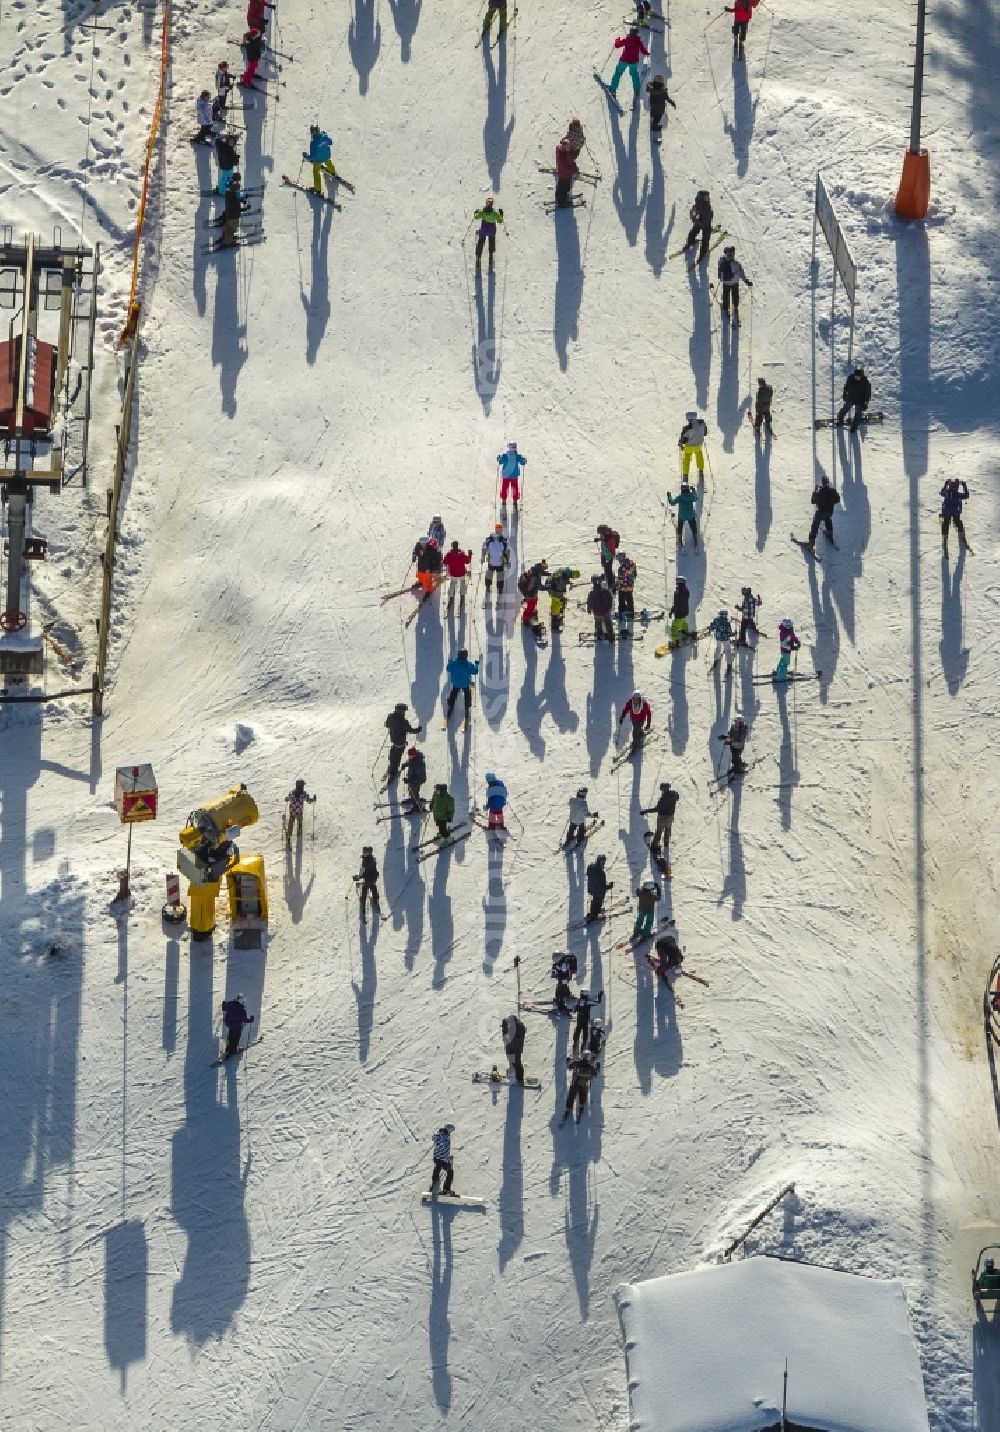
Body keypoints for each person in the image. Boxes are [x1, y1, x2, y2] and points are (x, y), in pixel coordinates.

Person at [608, 27, 650, 103]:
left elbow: (617, 45)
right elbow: (643, 50)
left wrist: (617, 40)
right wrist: (647, 53)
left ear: (630, 32)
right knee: (634, 75)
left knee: (618, 73)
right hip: (633, 62)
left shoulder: (627, 39)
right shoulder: (638, 41)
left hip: (623, 60)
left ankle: (613, 90)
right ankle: (637, 90)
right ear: (637, 33)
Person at [385, 702, 421, 782]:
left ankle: (391, 766)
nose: (404, 712)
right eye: (404, 711)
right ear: (402, 711)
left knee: (393, 753)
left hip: (393, 741)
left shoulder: (390, 717)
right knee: (397, 758)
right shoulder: (404, 721)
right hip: (401, 743)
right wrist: (417, 730)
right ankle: (393, 773)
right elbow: (410, 730)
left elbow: (387, 725)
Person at [717, 245, 752, 326]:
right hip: (735, 282)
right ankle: (735, 306)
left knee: (726, 294)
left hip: (725, 282)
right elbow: (741, 274)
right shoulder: (736, 263)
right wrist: (746, 281)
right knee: (735, 294)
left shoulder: (721, 260)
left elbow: (719, 269)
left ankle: (725, 308)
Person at [445, 648, 480, 725]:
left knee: (453, 693)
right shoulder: (469, 665)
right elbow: (475, 672)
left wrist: (449, 662)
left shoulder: (453, 663)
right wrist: (477, 665)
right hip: (465, 684)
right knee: (467, 694)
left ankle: (451, 705)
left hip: (456, 683)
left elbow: (448, 669)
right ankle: (467, 707)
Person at [642, 782, 679, 854]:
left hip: (662, 818)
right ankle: (666, 843)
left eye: (662, 789)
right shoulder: (674, 794)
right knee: (668, 830)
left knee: (659, 831)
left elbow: (658, 809)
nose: (662, 791)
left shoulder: (663, 799)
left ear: (663, 789)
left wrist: (646, 811)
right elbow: (677, 797)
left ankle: (654, 845)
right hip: (670, 817)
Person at [564, 1051, 600, 1123]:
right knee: (583, 1094)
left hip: (574, 1083)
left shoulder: (576, 1063)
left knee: (571, 1095)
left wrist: (568, 1061)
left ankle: (568, 1107)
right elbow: (595, 1074)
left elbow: (568, 1066)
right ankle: (582, 1105)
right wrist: (598, 1067)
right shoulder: (590, 1067)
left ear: (582, 1056)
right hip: (583, 1084)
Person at [808, 474, 841, 551]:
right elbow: (837, 500)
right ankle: (829, 534)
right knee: (828, 520)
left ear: (822, 483)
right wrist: (837, 494)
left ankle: (811, 543)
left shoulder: (819, 493)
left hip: (820, 513)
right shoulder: (833, 491)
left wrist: (815, 491)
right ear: (828, 482)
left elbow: (812, 501)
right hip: (829, 512)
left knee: (815, 527)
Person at [544, 566, 579, 634]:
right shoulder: (561, 579)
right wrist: (560, 598)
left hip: (551, 583)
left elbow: (564, 578)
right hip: (553, 590)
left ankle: (558, 610)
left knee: (559, 601)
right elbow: (559, 591)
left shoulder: (565, 571)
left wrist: (568, 582)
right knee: (556, 605)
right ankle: (554, 623)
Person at [836, 364, 872, 431]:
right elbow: (846, 386)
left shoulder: (865, 382)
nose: (857, 377)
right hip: (851, 397)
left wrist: (865, 403)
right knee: (845, 409)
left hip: (860, 399)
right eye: (856, 376)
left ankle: (854, 427)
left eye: (858, 376)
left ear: (861, 376)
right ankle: (840, 420)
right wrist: (845, 393)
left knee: (858, 413)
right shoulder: (850, 378)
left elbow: (868, 393)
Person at [304, 124, 337, 195]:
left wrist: (306, 156)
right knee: (329, 163)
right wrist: (326, 136)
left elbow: (312, 156)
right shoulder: (324, 136)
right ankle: (333, 172)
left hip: (318, 160)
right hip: (327, 156)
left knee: (316, 172)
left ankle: (318, 189)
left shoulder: (313, 143)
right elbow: (330, 142)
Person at [940, 478, 971, 553]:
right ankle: (961, 532)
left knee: (946, 523)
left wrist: (945, 484)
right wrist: (964, 486)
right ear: (957, 487)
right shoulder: (957, 494)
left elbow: (941, 493)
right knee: (957, 521)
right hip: (955, 512)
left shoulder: (946, 492)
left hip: (946, 511)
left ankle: (945, 536)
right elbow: (966, 495)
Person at [474, 198, 504, 273]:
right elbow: (500, 221)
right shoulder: (495, 213)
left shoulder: (482, 212)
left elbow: (476, 217)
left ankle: (478, 257)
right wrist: (501, 214)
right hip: (492, 230)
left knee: (480, 241)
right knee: (491, 241)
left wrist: (476, 212)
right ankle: (491, 255)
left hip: (484, 230)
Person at [481, 522, 511, 596]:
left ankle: (488, 586)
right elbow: (507, 551)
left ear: (495, 529)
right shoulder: (504, 541)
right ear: (502, 530)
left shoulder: (489, 539)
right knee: (500, 575)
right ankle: (500, 589)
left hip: (491, 561)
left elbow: (484, 548)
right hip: (500, 562)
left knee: (489, 574)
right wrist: (508, 561)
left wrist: (483, 557)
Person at [683, 190, 714, 262]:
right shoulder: (707, 206)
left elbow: (692, 213)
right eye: (706, 197)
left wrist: (696, 220)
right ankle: (703, 253)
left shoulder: (696, 204)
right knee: (705, 239)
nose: (708, 198)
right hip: (705, 224)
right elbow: (709, 215)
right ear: (703, 197)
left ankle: (690, 241)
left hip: (698, 223)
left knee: (694, 231)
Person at [284, 778, 316, 843]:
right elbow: (308, 800)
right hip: (299, 811)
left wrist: (287, 799)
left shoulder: (291, 792)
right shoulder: (304, 794)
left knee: (291, 821)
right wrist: (313, 799)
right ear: (302, 786)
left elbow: (289, 798)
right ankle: (299, 826)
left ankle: (289, 835)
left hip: (292, 810)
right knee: (300, 817)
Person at [667, 482, 699, 549]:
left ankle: (679, 535)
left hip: (682, 516)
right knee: (693, 523)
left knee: (680, 524)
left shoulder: (680, 497)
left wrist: (669, 496)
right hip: (690, 515)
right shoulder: (691, 496)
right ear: (688, 489)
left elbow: (672, 502)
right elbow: (696, 497)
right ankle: (694, 535)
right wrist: (693, 490)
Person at [518, 560, 548, 628]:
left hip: (528, 592)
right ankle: (525, 620)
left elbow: (541, 573)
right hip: (530, 595)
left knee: (534, 602)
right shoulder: (536, 577)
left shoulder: (534, 569)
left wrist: (547, 574)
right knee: (530, 608)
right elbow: (541, 587)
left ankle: (531, 610)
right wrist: (548, 587)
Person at [677, 412, 708, 479]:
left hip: (689, 447)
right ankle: (701, 471)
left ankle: (685, 475)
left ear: (688, 418)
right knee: (699, 456)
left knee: (686, 459)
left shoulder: (686, 428)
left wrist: (680, 443)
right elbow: (705, 433)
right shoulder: (702, 423)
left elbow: (683, 440)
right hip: (698, 446)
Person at [572, 989, 604, 1055]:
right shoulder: (587, 1002)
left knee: (577, 1030)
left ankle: (575, 1042)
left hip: (579, 1019)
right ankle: (583, 1046)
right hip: (585, 1020)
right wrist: (600, 995)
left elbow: (573, 1010)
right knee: (585, 1033)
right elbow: (597, 1002)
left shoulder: (578, 1001)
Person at [220, 176, 248, 246]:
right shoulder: (234, 199)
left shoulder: (228, 193)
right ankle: (227, 242)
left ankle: (224, 237)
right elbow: (236, 208)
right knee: (231, 229)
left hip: (229, 214)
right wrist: (245, 208)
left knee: (227, 226)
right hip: (234, 216)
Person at [443, 541, 473, 606]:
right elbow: (467, 561)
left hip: (453, 573)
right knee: (462, 584)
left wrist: (444, 558)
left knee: (452, 585)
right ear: (458, 546)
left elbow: (445, 562)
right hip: (461, 573)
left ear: (452, 546)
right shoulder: (462, 554)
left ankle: (451, 598)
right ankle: (462, 597)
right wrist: (470, 555)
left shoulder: (449, 554)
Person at [587, 575, 615, 642]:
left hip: (597, 612)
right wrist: (609, 607)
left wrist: (589, 609)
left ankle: (599, 635)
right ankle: (611, 636)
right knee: (608, 623)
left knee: (598, 623)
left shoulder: (592, 593)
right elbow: (610, 599)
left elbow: (590, 602)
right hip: (606, 611)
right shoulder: (605, 591)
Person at [430, 1124, 457, 1195]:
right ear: (448, 1130)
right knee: (450, 1172)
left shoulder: (440, 1135)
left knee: (437, 1169)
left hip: (437, 1158)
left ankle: (433, 1187)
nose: (450, 1133)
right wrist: (448, 1159)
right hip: (442, 1159)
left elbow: (434, 1138)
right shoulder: (445, 1137)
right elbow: (444, 1150)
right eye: (450, 1132)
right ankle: (446, 1189)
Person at [355, 846, 381, 918]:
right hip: (373, 878)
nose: (363, 853)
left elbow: (363, 871)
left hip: (368, 879)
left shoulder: (365, 861)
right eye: (363, 852)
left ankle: (363, 904)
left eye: (365, 852)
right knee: (373, 887)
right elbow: (372, 870)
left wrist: (358, 877)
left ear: (368, 853)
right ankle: (375, 899)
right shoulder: (373, 859)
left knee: (364, 889)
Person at [708, 609, 736, 675]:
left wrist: (711, 627)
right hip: (726, 639)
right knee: (728, 650)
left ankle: (716, 660)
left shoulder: (716, 620)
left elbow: (712, 627)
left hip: (718, 638)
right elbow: (729, 633)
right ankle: (729, 664)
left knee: (718, 648)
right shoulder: (727, 623)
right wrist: (733, 634)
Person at [586, 854, 612, 923]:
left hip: (591, 889)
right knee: (598, 901)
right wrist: (609, 886)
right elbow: (602, 886)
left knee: (594, 901)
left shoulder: (591, 867)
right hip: (598, 891)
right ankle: (594, 915)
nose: (603, 864)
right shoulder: (601, 873)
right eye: (603, 862)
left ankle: (592, 913)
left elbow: (588, 873)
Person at [616, 551, 637, 635]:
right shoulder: (632, 563)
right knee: (630, 599)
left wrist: (617, 584)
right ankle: (631, 613)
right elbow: (635, 574)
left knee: (621, 601)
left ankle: (622, 615)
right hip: (630, 586)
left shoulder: (621, 568)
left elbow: (621, 579)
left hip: (623, 588)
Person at [555, 136, 578, 208]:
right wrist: (573, 170)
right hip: (565, 174)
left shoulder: (561, 149)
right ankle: (562, 202)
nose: (569, 148)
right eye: (567, 146)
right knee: (564, 187)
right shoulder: (562, 155)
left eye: (569, 146)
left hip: (564, 174)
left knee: (562, 185)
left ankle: (558, 195)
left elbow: (570, 160)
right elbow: (565, 168)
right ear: (564, 146)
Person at [501, 1014, 526, 1083]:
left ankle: (519, 1077)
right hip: (513, 1046)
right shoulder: (519, 1026)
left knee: (516, 1060)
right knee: (512, 1059)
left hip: (515, 1047)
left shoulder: (517, 1027)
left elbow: (507, 1037)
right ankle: (513, 1071)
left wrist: (505, 1028)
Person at [595, 524, 620, 589]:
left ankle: (611, 583)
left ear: (604, 533)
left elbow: (612, 550)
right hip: (604, 554)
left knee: (608, 570)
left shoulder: (610, 539)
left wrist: (609, 558)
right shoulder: (605, 536)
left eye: (601, 534)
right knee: (605, 567)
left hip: (608, 557)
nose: (600, 535)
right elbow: (603, 539)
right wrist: (598, 539)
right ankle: (607, 578)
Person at [668, 576, 691, 646]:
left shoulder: (677, 593)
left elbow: (676, 604)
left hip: (679, 612)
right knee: (683, 622)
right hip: (685, 611)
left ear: (678, 582)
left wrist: (672, 611)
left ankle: (675, 642)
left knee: (674, 628)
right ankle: (685, 632)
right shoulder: (687, 591)